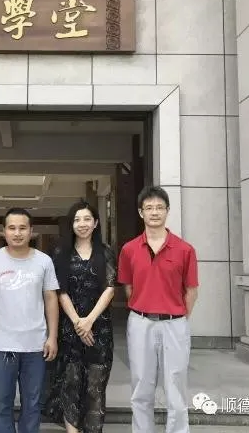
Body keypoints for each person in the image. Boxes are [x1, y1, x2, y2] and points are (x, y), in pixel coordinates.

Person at [118, 186, 199, 433]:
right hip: (140, 323)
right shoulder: (129, 249)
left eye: (159, 207)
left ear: (167, 211)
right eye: (149, 208)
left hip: (175, 323)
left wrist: (177, 315)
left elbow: (191, 291)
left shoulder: (185, 249)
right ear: (140, 212)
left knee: (176, 386)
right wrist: (145, 308)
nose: (154, 212)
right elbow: (129, 287)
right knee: (141, 386)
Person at [0, 207, 59, 433]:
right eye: (12, 228)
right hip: (2, 344)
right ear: (4, 231)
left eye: (22, 228)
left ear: (31, 231)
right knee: (1, 403)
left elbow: (51, 298)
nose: (17, 233)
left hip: (36, 344)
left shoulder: (44, 261)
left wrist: (52, 336)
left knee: (32, 404)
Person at [43, 201, 117, 433]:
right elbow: (60, 291)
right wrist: (78, 322)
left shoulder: (105, 252)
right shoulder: (60, 253)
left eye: (87, 219)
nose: (82, 224)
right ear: (71, 224)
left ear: (95, 223)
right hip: (69, 329)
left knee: (96, 385)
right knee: (70, 383)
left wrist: (89, 321)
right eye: (77, 220)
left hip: (99, 329)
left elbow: (110, 289)